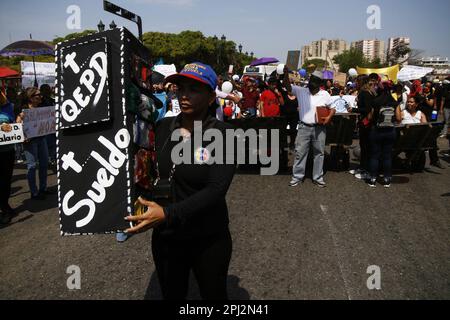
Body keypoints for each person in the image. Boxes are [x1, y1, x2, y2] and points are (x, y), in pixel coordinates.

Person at [124, 62, 236, 300]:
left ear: (210, 98)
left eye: (194, 89)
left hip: (208, 238)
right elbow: (148, 172)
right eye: (181, 87)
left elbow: (216, 190)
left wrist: (167, 213)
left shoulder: (225, 135)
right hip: (167, 238)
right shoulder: (163, 127)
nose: (184, 94)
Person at [284, 69, 335, 188]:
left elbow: (332, 108)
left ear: (319, 84)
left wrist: (329, 117)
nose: (311, 83)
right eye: (311, 80)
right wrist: (286, 74)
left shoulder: (325, 94)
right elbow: (287, 87)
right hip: (303, 127)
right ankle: (297, 177)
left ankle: (317, 177)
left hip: (319, 129)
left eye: (314, 81)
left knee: (319, 153)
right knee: (300, 153)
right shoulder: (301, 91)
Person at [16, 87, 50, 200]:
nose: (41, 97)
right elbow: (17, 126)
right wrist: (23, 136)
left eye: (40, 95)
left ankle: (43, 188)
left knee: (44, 163)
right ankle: (34, 192)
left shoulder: (41, 110)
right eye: (38, 95)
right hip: (31, 142)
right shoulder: (23, 112)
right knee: (32, 166)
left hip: (42, 138)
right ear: (30, 98)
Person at [367, 81, 398, 188]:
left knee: (375, 155)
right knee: (387, 156)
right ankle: (386, 179)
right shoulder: (394, 101)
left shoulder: (375, 101)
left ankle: (372, 178)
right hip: (390, 131)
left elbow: (370, 117)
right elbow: (398, 118)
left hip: (377, 130)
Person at [0, 91, 16, 224]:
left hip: (7, 151)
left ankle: (5, 207)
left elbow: (15, 124)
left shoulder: (9, 107)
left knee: (5, 181)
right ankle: (5, 208)